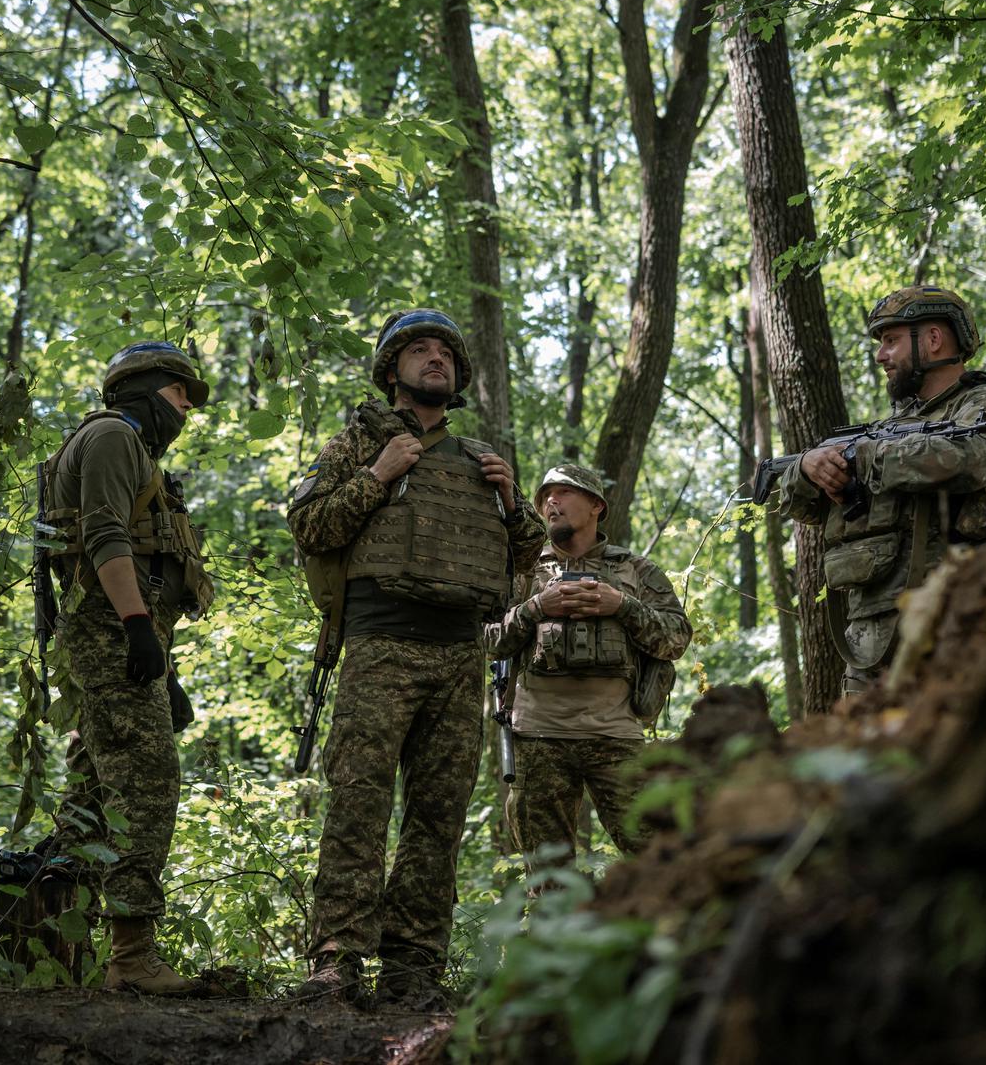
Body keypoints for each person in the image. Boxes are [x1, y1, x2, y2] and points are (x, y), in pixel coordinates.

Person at [286, 308, 545, 1009]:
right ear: (392, 369)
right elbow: (309, 525)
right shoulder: (360, 441)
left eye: (446, 355)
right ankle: (337, 962)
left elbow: (525, 556)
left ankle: (414, 971)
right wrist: (377, 473)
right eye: (421, 350)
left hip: (460, 651)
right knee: (359, 805)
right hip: (380, 644)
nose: (437, 360)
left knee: (439, 816)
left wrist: (513, 500)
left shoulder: (481, 460)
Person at [44, 340, 217, 994]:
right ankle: (132, 957)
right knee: (148, 779)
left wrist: (163, 665)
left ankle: (52, 947)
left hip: (124, 637)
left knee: (91, 797)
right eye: (179, 394)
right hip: (113, 632)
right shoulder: (116, 436)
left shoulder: (132, 449)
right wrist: (138, 627)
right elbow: (106, 536)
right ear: (145, 388)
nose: (185, 409)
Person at [779, 285, 986, 695]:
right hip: (874, 639)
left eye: (891, 341)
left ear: (934, 340)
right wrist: (808, 467)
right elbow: (806, 508)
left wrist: (864, 459)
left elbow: (969, 460)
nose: (881, 355)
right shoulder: (883, 431)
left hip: (965, 622)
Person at [485, 463, 692, 869]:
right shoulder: (524, 572)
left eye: (563, 493)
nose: (550, 504)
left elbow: (676, 639)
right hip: (539, 738)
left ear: (596, 505)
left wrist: (624, 607)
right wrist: (535, 608)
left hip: (616, 736)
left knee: (659, 862)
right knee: (548, 879)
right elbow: (488, 639)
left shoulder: (637, 571)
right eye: (545, 497)